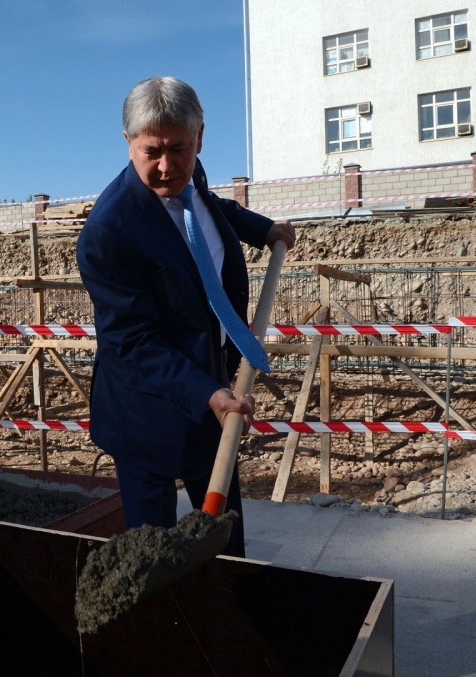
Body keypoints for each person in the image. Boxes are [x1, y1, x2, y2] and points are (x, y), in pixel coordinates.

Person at [76, 76, 295, 556]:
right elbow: (132, 342)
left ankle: (227, 615)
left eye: (179, 149)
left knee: (224, 543)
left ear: (199, 137)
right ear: (128, 142)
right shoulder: (108, 233)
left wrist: (262, 229)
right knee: (152, 556)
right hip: (146, 409)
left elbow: (211, 207)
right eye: (151, 151)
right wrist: (208, 393)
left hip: (213, 391)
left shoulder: (190, 174)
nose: (166, 166)